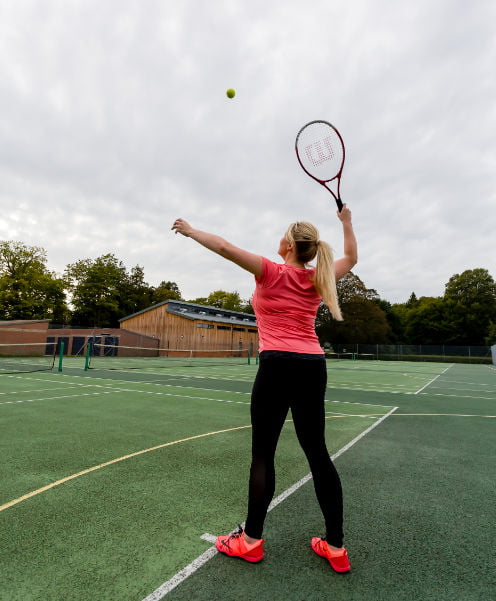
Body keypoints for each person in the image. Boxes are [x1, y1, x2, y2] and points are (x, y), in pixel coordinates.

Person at [171, 204, 357, 573]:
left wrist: (191, 231)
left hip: (277, 366)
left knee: (263, 455)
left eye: (282, 235)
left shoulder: (271, 271)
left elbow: (224, 247)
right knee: (317, 453)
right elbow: (351, 257)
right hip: (312, 366)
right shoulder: (319, 276)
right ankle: (335, 547)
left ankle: (251, 542)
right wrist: (346, 222)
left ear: (288, 245)